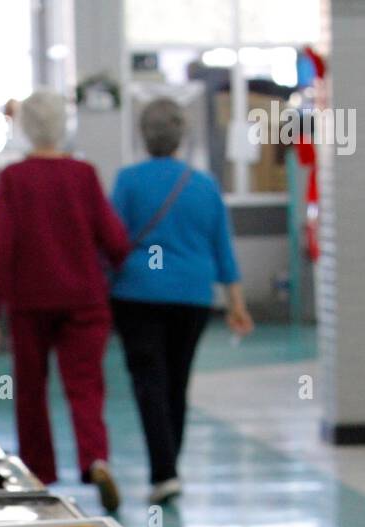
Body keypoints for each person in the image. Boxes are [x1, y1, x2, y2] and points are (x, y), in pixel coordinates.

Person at [0, 90, 131, 509]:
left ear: (24, 127)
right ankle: (95, 458)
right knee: (85, 386)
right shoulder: (84, 174)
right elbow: (113, 239)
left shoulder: (13, 179)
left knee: (30, 389)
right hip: (84, 299)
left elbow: (0, 246)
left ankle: (39, 475)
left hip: (30, 301)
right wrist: (126, 255)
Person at [110, 98, 253, 504]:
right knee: (177, 380)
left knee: (148, 381)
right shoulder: (204, 184)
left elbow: (112, 240)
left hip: (136, 294)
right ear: (180, 137)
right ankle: (170, 465)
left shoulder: (128, 181)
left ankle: (165, 471)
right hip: (192, 297)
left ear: (143, 135)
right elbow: (223, 248)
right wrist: (237, 304)